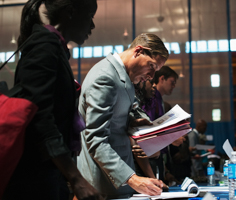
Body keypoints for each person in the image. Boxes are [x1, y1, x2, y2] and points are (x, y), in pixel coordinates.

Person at [3, 0, 103, 200]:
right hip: (36, 178)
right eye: (90, 17)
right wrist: (76, 179)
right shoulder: (44, 45)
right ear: (71, 11)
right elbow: (39, 115)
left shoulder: (52, 46)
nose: (92, 26)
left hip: (45, 174)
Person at [77, 33, 169, 199]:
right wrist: (132, 179)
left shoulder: (125, 77)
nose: (151, 76)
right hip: (103, 183)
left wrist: (141, 123)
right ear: (139, 51)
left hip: (118, 181)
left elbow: (130, 108)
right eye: (152, 66)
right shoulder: (105, 77)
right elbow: (96, 140)